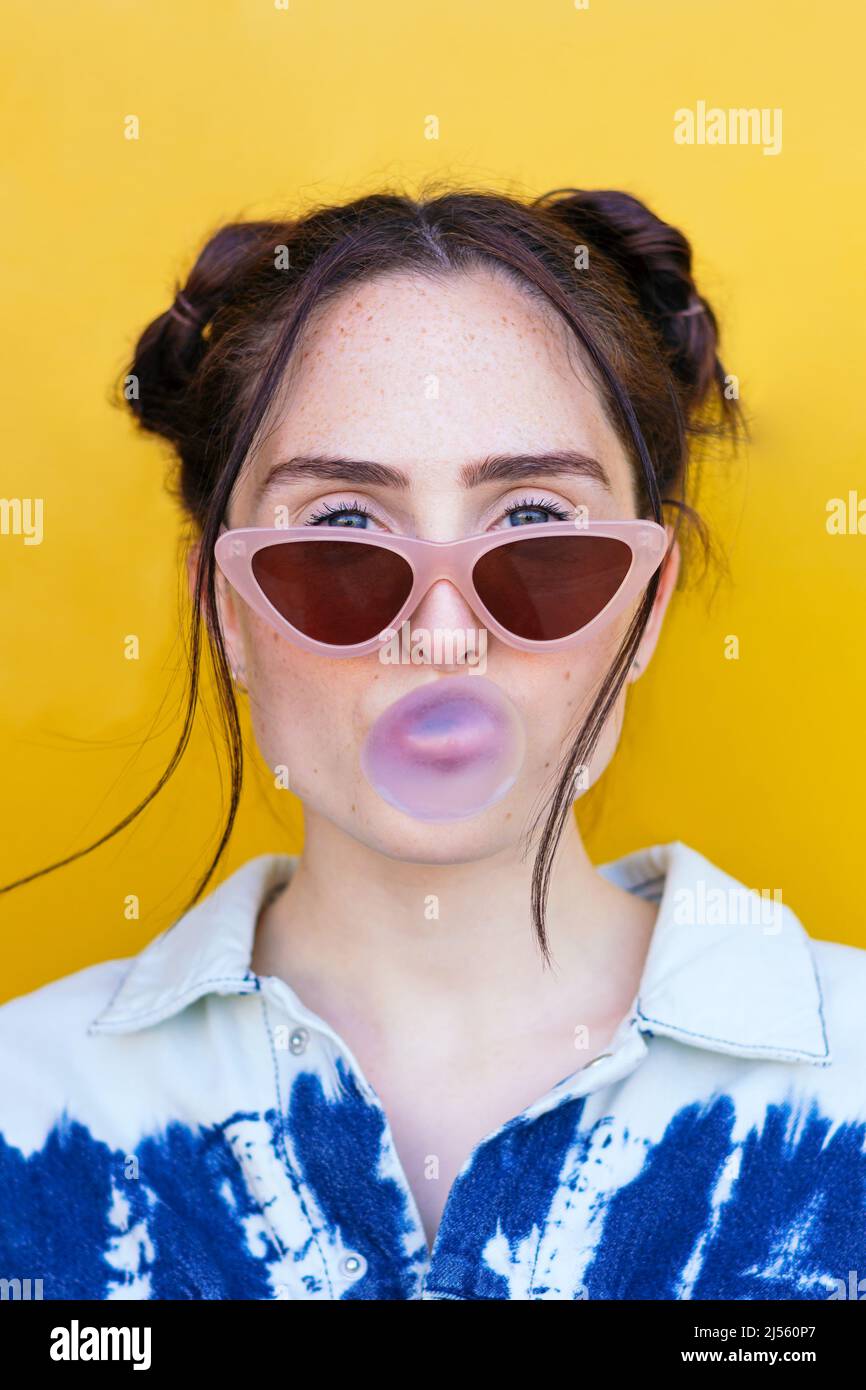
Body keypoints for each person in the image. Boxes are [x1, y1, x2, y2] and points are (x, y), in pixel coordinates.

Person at [1, 184, 864, 1301]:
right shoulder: (24, 1103)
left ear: (647, 603)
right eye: (344, 530)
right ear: (227, 610)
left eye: (534, 524)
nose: (441, 634)